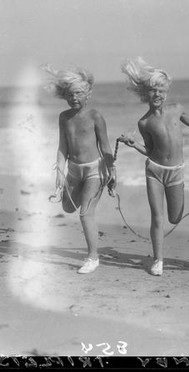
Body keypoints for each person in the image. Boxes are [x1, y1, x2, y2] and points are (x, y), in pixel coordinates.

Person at [119, 57, 189, 276]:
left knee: (175, 217)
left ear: (167, 91)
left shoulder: (177, 109)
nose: (157, 95)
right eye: (152, 90)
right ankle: (158, 260)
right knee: (157, 217)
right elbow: (150, 150)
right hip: (154, 171)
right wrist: (134, 145)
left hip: (176, 172)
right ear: (145, 93)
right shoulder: (144, 123)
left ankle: (160, 252)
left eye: (161, 90)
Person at [44, 65, 116, 274]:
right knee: (67, 207)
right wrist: (59, 171)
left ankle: (93, 257)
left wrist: (112, 170)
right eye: (70, 94)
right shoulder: (64, 117)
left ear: (88, 94)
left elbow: (105, 146)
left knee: (85, 214)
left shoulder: (96, 116)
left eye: (78, 93)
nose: (74, 98)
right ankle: (75, 197)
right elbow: (62, 147)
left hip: (95, 170)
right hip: (74, 171)